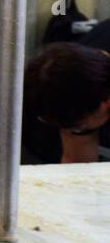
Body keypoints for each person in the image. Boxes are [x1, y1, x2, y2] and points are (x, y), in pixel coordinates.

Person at [22, 21, 110, 164]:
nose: (75, 129)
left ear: (106, 103)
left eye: (80, 125)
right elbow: (79, 167)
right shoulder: (78, 79)